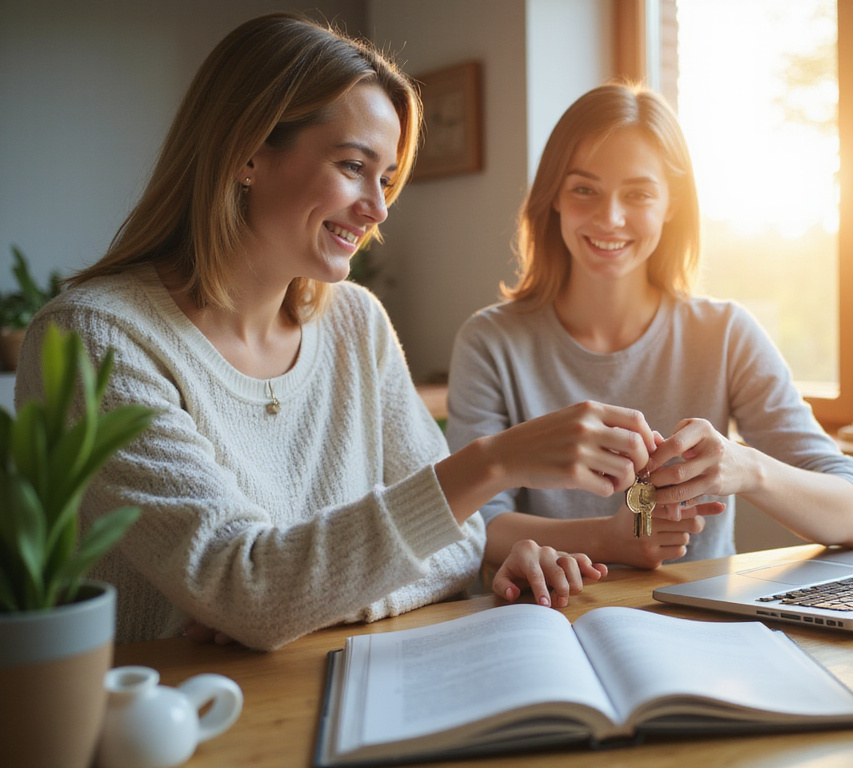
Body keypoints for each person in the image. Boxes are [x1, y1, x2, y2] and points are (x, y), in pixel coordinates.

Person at [15, 14, 654, 651]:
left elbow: (458, 547)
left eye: (386, 179)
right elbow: (252, 591)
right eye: (353, 166)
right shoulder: (93, 341)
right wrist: (490, 463)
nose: (378, 208)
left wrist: (292, 604)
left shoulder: (355, 322)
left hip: (340, 693)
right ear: (246, 153)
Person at [447, 82, 853, 571]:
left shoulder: (725, 334)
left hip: (697, 619)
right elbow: (468, 525)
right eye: (584, 189)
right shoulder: (490, 342)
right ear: (555, 198)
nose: (609, 218)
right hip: (548, 620)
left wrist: (747, 468)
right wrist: (607, 539)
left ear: (671, 204)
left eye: (637, 194)